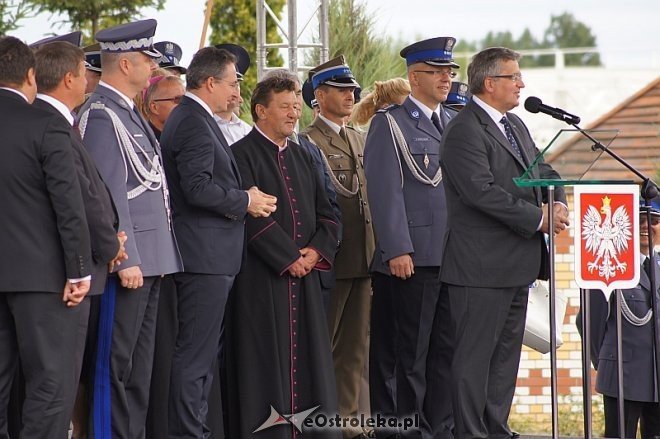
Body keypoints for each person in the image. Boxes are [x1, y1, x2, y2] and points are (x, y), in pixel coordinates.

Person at [439, 47, 570, 439]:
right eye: (514, 77)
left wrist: (558, 201)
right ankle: (471, 432)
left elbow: (542, 169)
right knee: (474, 359)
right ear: (489, 82)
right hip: (479, 267)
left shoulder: (514, 124)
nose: (522, 84)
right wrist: (539, 218)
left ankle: (495, 427)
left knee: (503, 360)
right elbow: (481, 192)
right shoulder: (463, 130)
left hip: (516, 263)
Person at [78, 19, 183, 439]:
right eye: (145, 60)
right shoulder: (102, 115)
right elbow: (108, 194)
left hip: (152, 260)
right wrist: (128, 259)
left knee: (138, 370)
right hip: (130, 261)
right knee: (113, 367)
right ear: (124, 64)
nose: (150, 69)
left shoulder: (124, 112)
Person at [225, 75, 341, 438]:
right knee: (264, 364)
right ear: (261, 110)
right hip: (261, 281)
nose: (294, 114)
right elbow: (244, 216)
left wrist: (315, 251)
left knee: (309, 365)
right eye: (285, 106)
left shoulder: (305, 153)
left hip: (305, 278)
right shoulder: (239, 154)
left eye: (296, 106)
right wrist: (287, 257)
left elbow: (329, 213)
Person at [364, 37, 459, 439]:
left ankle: (439, 427)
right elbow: (385, 191)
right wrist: (398, 248)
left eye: (450, 72)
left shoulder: (453, 122)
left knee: (445, 352)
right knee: (410, 356)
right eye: (437, 72)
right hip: (413, 259)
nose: (446, 79)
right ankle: (407, 431)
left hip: (453, 257)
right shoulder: (390, 122)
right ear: (414, 76)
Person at [33, 39, 129, 439]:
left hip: (61, 267)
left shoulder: (61, 120)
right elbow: (78, 199)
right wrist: (110, 245)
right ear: (70, 77)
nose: (91, 77)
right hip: (64, 272)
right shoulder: (52, 123)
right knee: (57, 380)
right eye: (85, 70)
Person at [0, 35, 92, 438]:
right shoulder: (46, 124)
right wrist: (78, 271)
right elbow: (68, 204)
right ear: (31, 75)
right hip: (44, 278)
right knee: (50, 383)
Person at [301, 56, 375, 439]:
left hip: (364, 258)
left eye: (353, 90)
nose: (351, 96)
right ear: (319, 95)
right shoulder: (308, 141)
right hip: (330, 261)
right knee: (323, 347)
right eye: (342, 90)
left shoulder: (360, 139)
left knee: (355, 351)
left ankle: (352, 426)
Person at [262, 68, 343, 315]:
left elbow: (329, 204)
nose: (296, 102)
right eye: (287, 97)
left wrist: (318, 250)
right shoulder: (248, 151)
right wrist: (289, 256)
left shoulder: (308, 149)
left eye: (297, 94)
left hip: (313, 267)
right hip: (271, 272)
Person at [577, 205, 660, 439]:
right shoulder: (609, 264)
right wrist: (606, 361)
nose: (646, 226)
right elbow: (589, 322)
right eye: (639, 219)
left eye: (653, 220)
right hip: (623, 375)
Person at [213, 43, 252, 144]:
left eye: (236, 84)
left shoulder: (248, 131)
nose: (234, 91)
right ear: (212, 84)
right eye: (230, 84)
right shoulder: (202, 127)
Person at [141, 73, 185, 139]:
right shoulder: (143, 140)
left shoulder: (192, 135)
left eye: (186, 99)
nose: (185, 104)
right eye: (178, 99)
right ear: (154, 107)